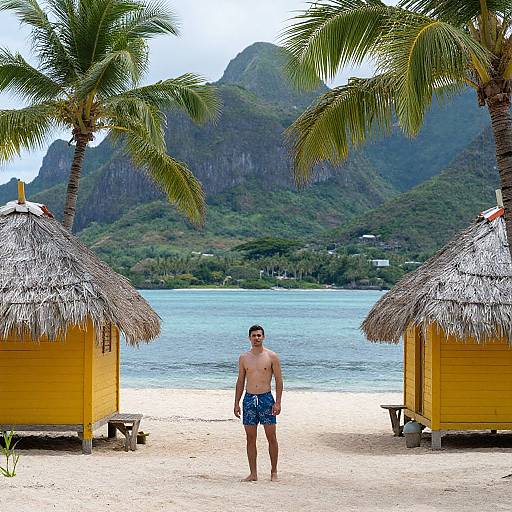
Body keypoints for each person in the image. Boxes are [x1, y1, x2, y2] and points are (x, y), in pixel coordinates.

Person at [234, 324, 283, 482]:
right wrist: (236, 402)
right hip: (249, 399)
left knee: (271, 436)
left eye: (259, 335)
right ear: (249, 338)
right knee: (250, 438)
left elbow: (279, 381)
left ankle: (273, 472)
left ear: (263, 337)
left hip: (266, 399)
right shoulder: (244, 358)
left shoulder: (272, 356)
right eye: (254, 335)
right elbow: (240, 381)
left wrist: (278, 402)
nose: (256, 338)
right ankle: (253, 473)